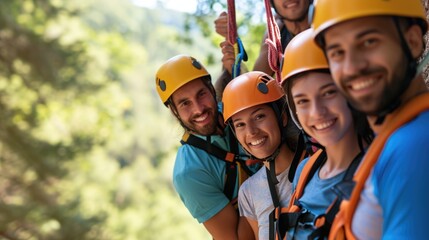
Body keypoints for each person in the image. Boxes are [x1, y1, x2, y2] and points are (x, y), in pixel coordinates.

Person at [311, 0, 429, 238]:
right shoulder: (396, 137)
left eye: (368, 42)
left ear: (413, 41)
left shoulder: (414, 145)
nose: (352, 67)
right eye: (337, 52)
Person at [278, 28, 373, 239]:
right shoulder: (305, 172)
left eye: (329, 93)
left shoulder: (378, 174)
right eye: (302, 101)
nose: (317, 112)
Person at [155, 54, 261, 239]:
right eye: (185, 103)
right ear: (174, 110)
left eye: (201, 94)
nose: (198, 109)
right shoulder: (190, 173)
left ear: (211, 89)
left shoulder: (237, 111)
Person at [222, 71, 300, 239]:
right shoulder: (249, 192)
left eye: (259, 116)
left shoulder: (314, 167)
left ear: (283, 117)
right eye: (240, 124)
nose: (251, 131)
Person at [214, 0, 311, 99]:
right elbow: (254, 89)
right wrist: (233, 44)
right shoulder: (275, 35)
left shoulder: (325, 17)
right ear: (270, 3)